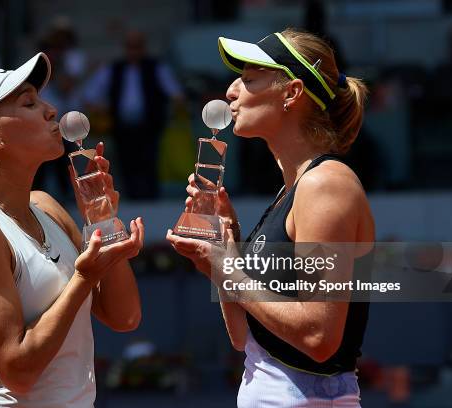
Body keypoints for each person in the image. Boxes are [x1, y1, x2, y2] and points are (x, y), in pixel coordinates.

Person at [167, 28, 374, 407]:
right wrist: (223, 248)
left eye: (247, 80)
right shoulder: (291, 192)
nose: (230, 92)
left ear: (291, 93)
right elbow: (244, 337)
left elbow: (318, 338)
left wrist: (227, 270)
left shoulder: (326, 184)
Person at [0, 52, 143, 407]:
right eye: (29, 103)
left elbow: (126, 317)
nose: (51, 110)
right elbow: (18, 371)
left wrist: (102, 221)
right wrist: (83, 279)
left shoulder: (47, 207)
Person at [83, 30, 184, 199]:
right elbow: (90, 94)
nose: (134, 51)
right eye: (130, 47)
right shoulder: (113, 69)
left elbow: (176, 93)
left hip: (150, 125)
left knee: (150, 160)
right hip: (122, 126)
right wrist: (100, 108)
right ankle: (131, 196)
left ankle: (151, 196)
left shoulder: (156, 67)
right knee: (126, 161)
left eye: (137, 46)